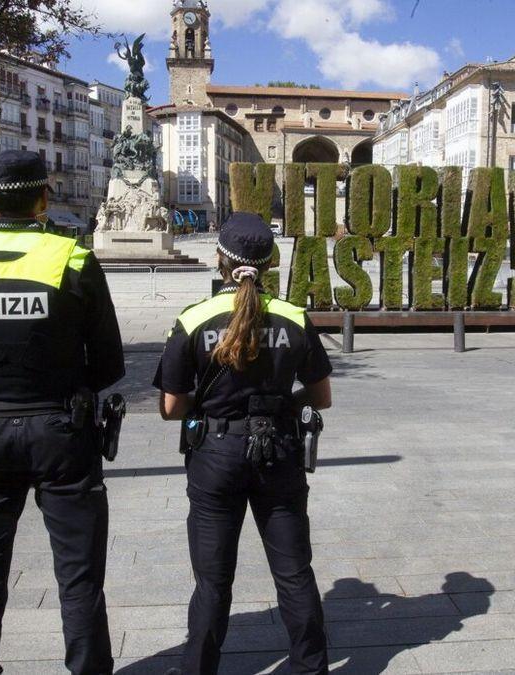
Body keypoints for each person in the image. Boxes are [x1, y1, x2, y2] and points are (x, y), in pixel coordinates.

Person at [0, 150, 125, 675]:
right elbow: (108, 363)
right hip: (63, 431)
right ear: (44, 200)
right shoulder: (74, 259)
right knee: (79, 576)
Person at [154, 212, 334, 675]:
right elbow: (320, 396)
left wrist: (209, 407)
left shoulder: (194, 319)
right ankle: (311, 669)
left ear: (220, 261)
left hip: (216, 455)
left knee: (212, 581)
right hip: (279, 452)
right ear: (271, 263)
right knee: (294, 573)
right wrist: (279, 405)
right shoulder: (294, 317)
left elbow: (172, 407)